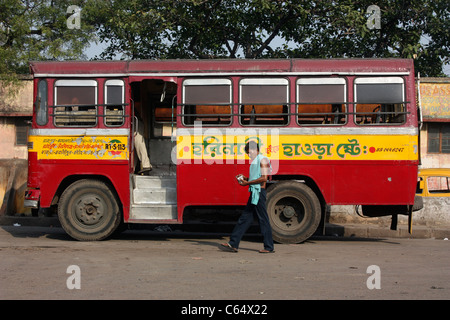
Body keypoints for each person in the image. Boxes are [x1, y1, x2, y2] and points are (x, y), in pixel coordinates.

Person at [220, 141, 274, 253]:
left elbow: (264, 178)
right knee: (245, 218)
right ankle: (233, 244)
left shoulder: (262, 160)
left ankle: (269, 247)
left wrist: (247, 183)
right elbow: (257, 177)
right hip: (255, 192)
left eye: (250, 152)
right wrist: (246, 178)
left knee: (263, 220)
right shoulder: (256, 161)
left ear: (256, 150)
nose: (249, 155)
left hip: (259, 193)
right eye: (248, 153)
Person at [134, 107, 152, 175]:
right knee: (135, 147)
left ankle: (146, 165)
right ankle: (135, 168)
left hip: (135, 122)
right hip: (136, 122)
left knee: (138, 142)